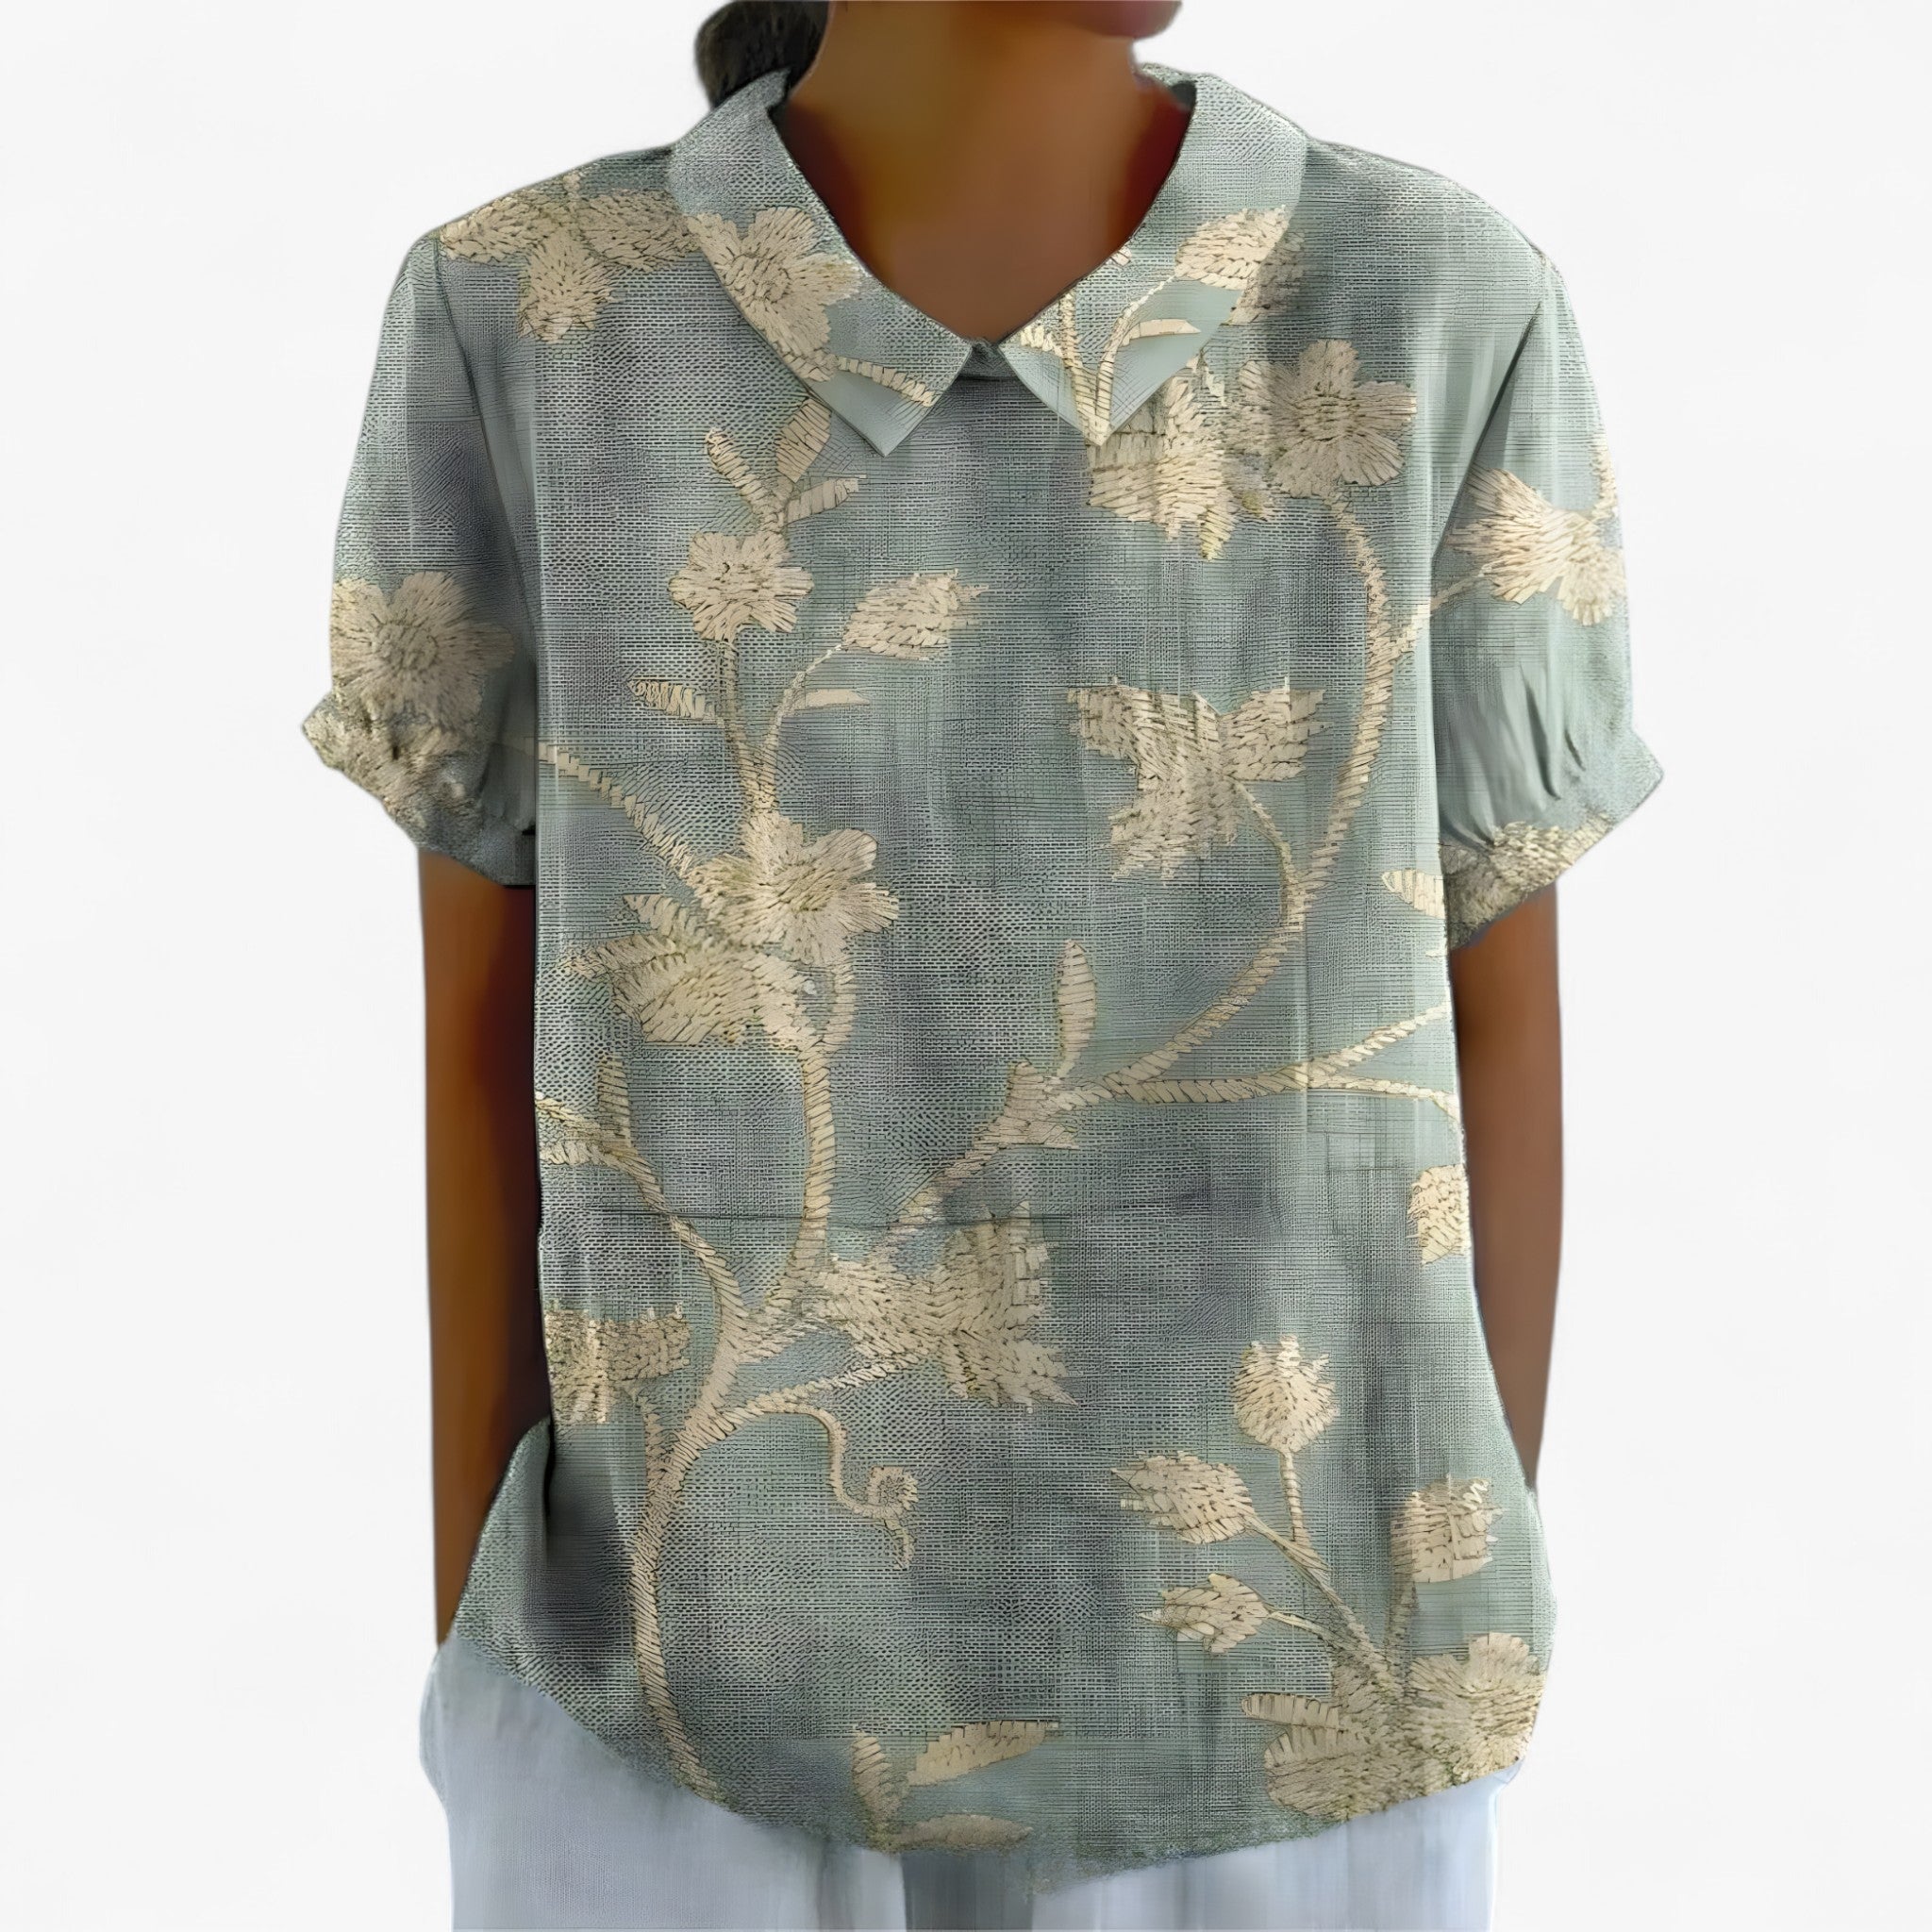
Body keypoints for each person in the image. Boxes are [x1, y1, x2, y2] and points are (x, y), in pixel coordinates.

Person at [299, 2, 1662, 1925]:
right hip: (658, 1713)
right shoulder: (532, 312)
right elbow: (480, 1048)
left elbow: (1487, 1024)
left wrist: (1425, 1628)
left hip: (1300, 1727)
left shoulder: (1433, 302)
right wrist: (487, 1676)